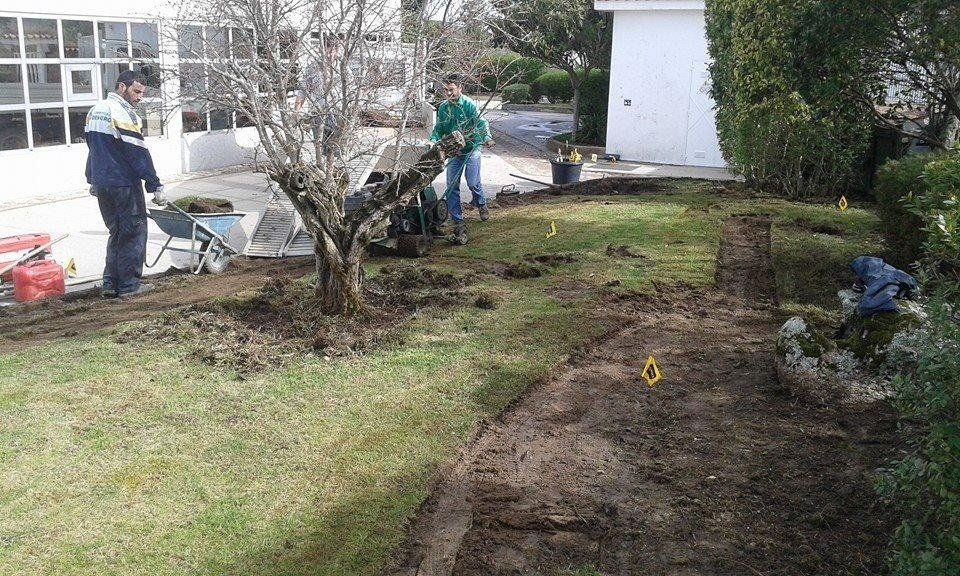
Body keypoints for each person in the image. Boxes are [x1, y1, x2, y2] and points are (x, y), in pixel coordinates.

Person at [85, 69, 165, 299]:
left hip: (103, 184)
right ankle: (129, 286)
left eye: (142, 93)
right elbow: (137, 154)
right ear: (122, 87)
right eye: (136, 91)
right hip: (123, 185)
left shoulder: (95, 111)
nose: (140, 97)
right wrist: (154, 184)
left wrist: (92, 178)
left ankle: (110, 284)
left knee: (116, 232)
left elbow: (93, 150)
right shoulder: (123, 114)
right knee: (133, 232)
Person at [429, 74, 495, 245]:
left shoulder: (469, 105)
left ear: (460, 88)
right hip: (454, 151)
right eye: (446, 90)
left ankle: (481, 204)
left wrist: (487, 138)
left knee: (473, 182)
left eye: (451, 90)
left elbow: (481, 123)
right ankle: (457, 219)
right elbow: (439, 128)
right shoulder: (443, 107)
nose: (448, 93)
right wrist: (433, 139)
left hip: (471, 148)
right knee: (451, 186)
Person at [295, 39, 346, 161]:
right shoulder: (312, 68)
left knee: (336, 150)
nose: (329, 55)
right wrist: (296, 111)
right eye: (326, 51)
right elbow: (303, 91)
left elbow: (351, 90)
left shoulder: (343, 68)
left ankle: (335, 172)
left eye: (332, 51)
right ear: (320, 50)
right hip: (318, 113)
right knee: (321, 148)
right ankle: (325, 172)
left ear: (337, 51)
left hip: (337, 113)